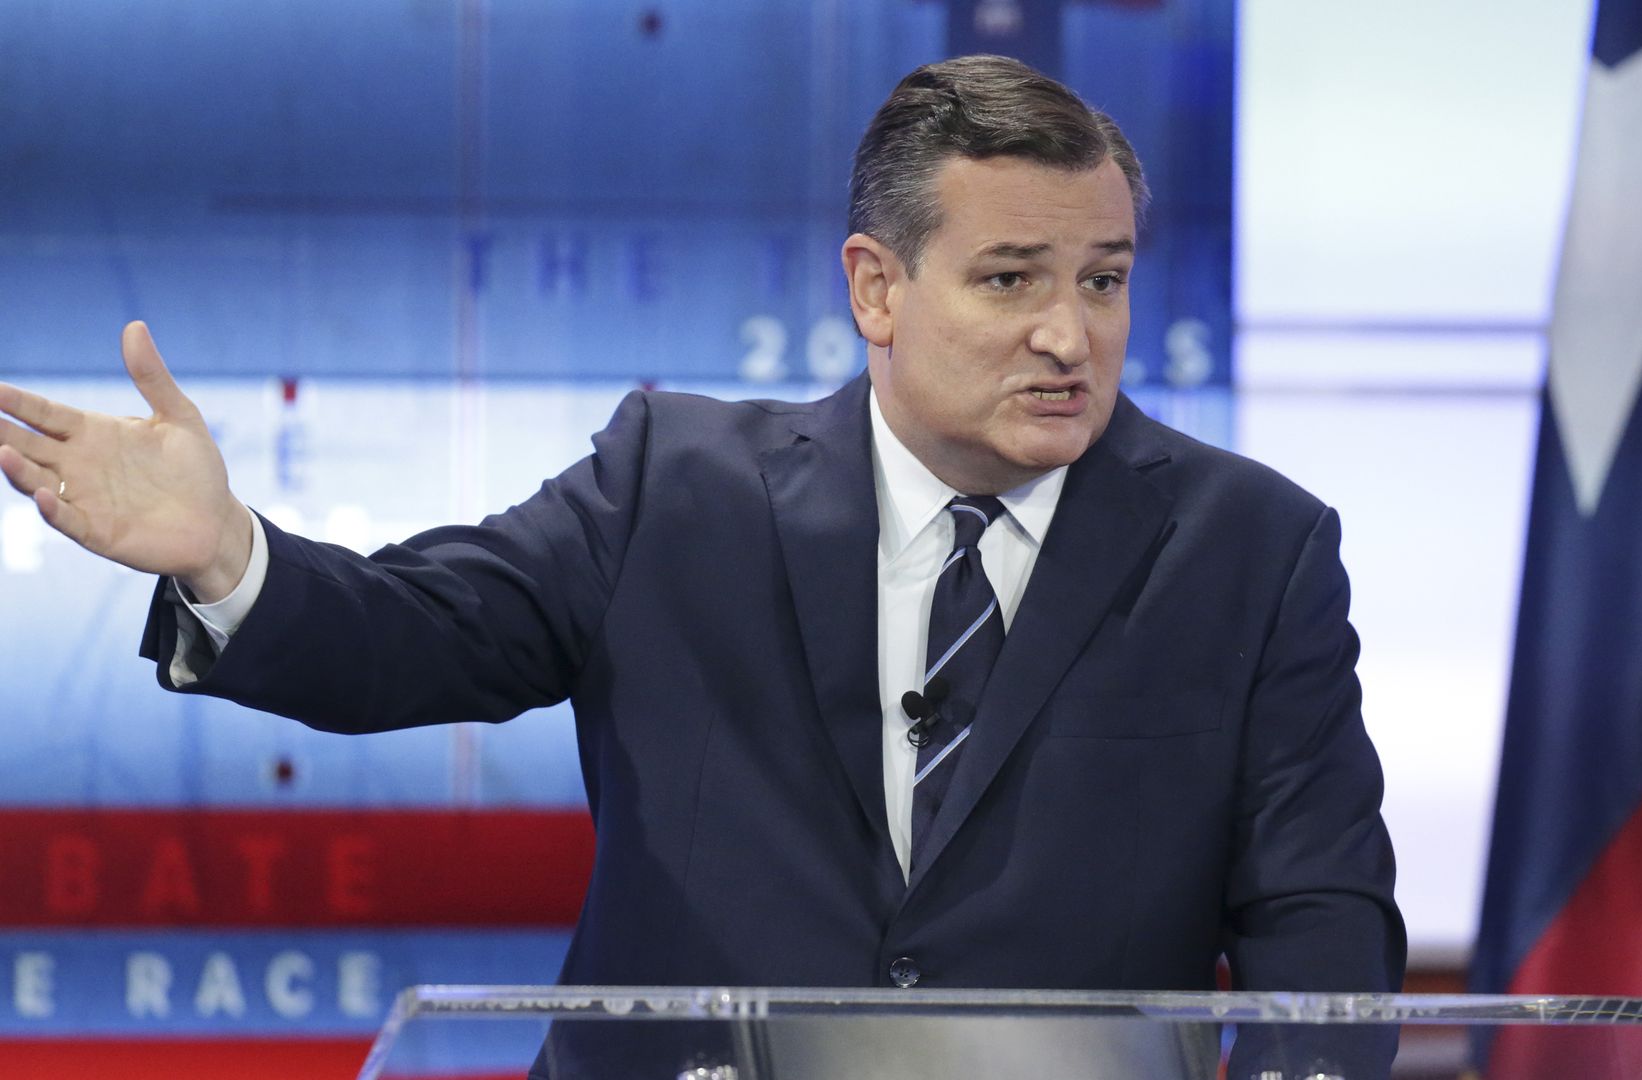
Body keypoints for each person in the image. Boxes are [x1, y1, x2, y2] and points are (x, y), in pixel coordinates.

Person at [0, 55, 1403, 1076]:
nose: (1069, 334)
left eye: (1102, 278)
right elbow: (413, 635)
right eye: (1011, 278)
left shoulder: (1250, 548)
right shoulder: (675, 486)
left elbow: (1319, 920)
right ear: (875, 288)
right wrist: (227, 555)